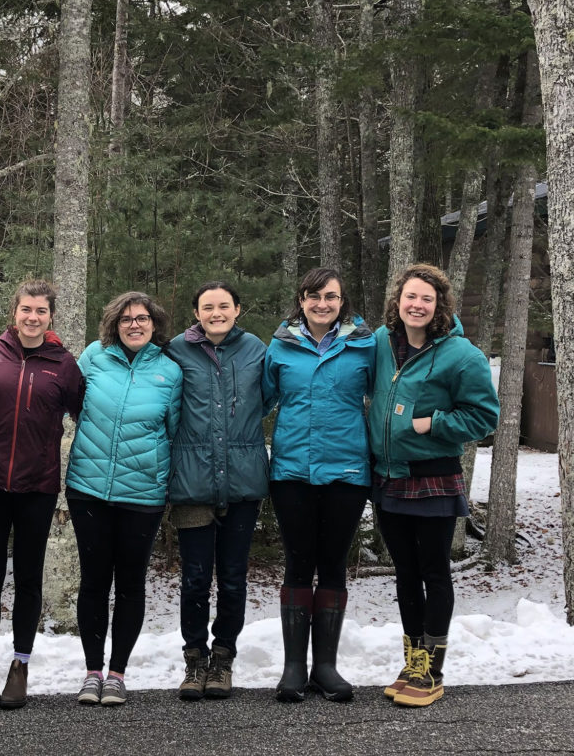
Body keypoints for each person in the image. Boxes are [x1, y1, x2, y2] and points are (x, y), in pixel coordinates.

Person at [368, 264, 498, 708]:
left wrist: (432, 423)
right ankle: (413, 662)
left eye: (426, 298)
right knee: (405, 573)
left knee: (434, 572)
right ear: (398, 300)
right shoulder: (382, 344)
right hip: (388, 477)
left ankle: (433, 670)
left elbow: (484, 417)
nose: (417, 305)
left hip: (435, 478)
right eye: (410, 296)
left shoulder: (463, 355)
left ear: (439, 304)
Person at [0, 280, 84, 709]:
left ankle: (21, 664)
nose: (33, 318)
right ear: (14, 313)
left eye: (41, 311)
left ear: (51, 317)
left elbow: (85, 412)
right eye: (26, 310)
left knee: (29, 579)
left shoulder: (63, 364)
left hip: (38, 486)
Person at [262, 268, 375, 703]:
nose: (322, 304)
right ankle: (294, 668)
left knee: (332, 563)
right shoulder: (281, 347)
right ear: (302, 299)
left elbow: (385, 393)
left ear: (343, 301)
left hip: (347, 473)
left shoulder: (365, 346)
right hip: (291, 473)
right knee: (297, 563)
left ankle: (325, 667)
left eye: (330, 296)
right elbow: (262, 400)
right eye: (313, 296)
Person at [65, 292, 182, 707]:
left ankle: (117, 674)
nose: (135, 325)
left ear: (155, 324)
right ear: (114, 323)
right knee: (94, 580)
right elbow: (71, 404)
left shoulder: (169, 371)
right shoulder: (93, 357)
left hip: (143, 495)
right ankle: (92, 671)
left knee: (131, 582)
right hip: (88, 489)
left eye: (143, 318)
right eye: (127, 319)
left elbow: (173, 430)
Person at [166, 281, 268, 701]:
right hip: (192, 481)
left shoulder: (257, 350)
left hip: (243, 480)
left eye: (224, 306)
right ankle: (194, 660)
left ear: (238, 309)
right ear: (196, 312)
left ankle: (223, 658)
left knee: (231, 577)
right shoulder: (176, 350)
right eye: (207, 307)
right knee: (194, 578)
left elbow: (273, 395)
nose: (216, 313)